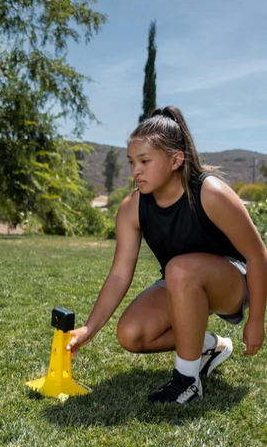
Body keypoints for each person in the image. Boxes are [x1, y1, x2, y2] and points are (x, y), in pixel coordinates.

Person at [67, 106, 267, 403]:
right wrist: (89, 328)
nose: (136, 170)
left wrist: (256, 322)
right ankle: (211, 346)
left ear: (176, 160)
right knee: (131, 334)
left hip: (233, 282)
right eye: (132, 161)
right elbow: (120, 274)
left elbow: (257, 254)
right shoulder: (132, 208)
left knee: (179, 269)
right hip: (181, 282)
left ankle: (187, 380)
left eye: (145, 161)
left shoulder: (210, 193)